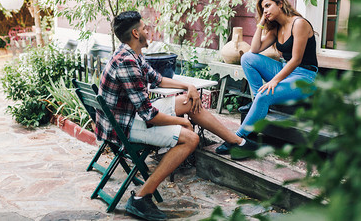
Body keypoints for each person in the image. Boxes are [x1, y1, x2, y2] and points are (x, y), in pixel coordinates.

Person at [97, 11, 258, 221]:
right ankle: (140, 198)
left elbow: (157, 80)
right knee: (190, 138)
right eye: (145, 28)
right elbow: (149, 115)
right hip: (124, 125)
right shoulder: (127, 61)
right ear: (136, 33)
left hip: (130, 115)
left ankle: (235, 141)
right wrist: (180, 121)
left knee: (188, 100)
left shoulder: (132, 53)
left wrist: (188, 86)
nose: (148, 30)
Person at [216, 0, 318, 154]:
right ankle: (258, 100)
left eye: (268, 6)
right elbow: (255, 49)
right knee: (247, 58)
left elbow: (296, 60)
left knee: (266, 95)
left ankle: (238, 139)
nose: (266, 11)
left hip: (304, 77)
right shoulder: (277, 28)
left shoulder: (299, 24)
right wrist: (261, 22)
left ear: (280, 4)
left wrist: (274, 80)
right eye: (263, 9)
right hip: (285, 70)